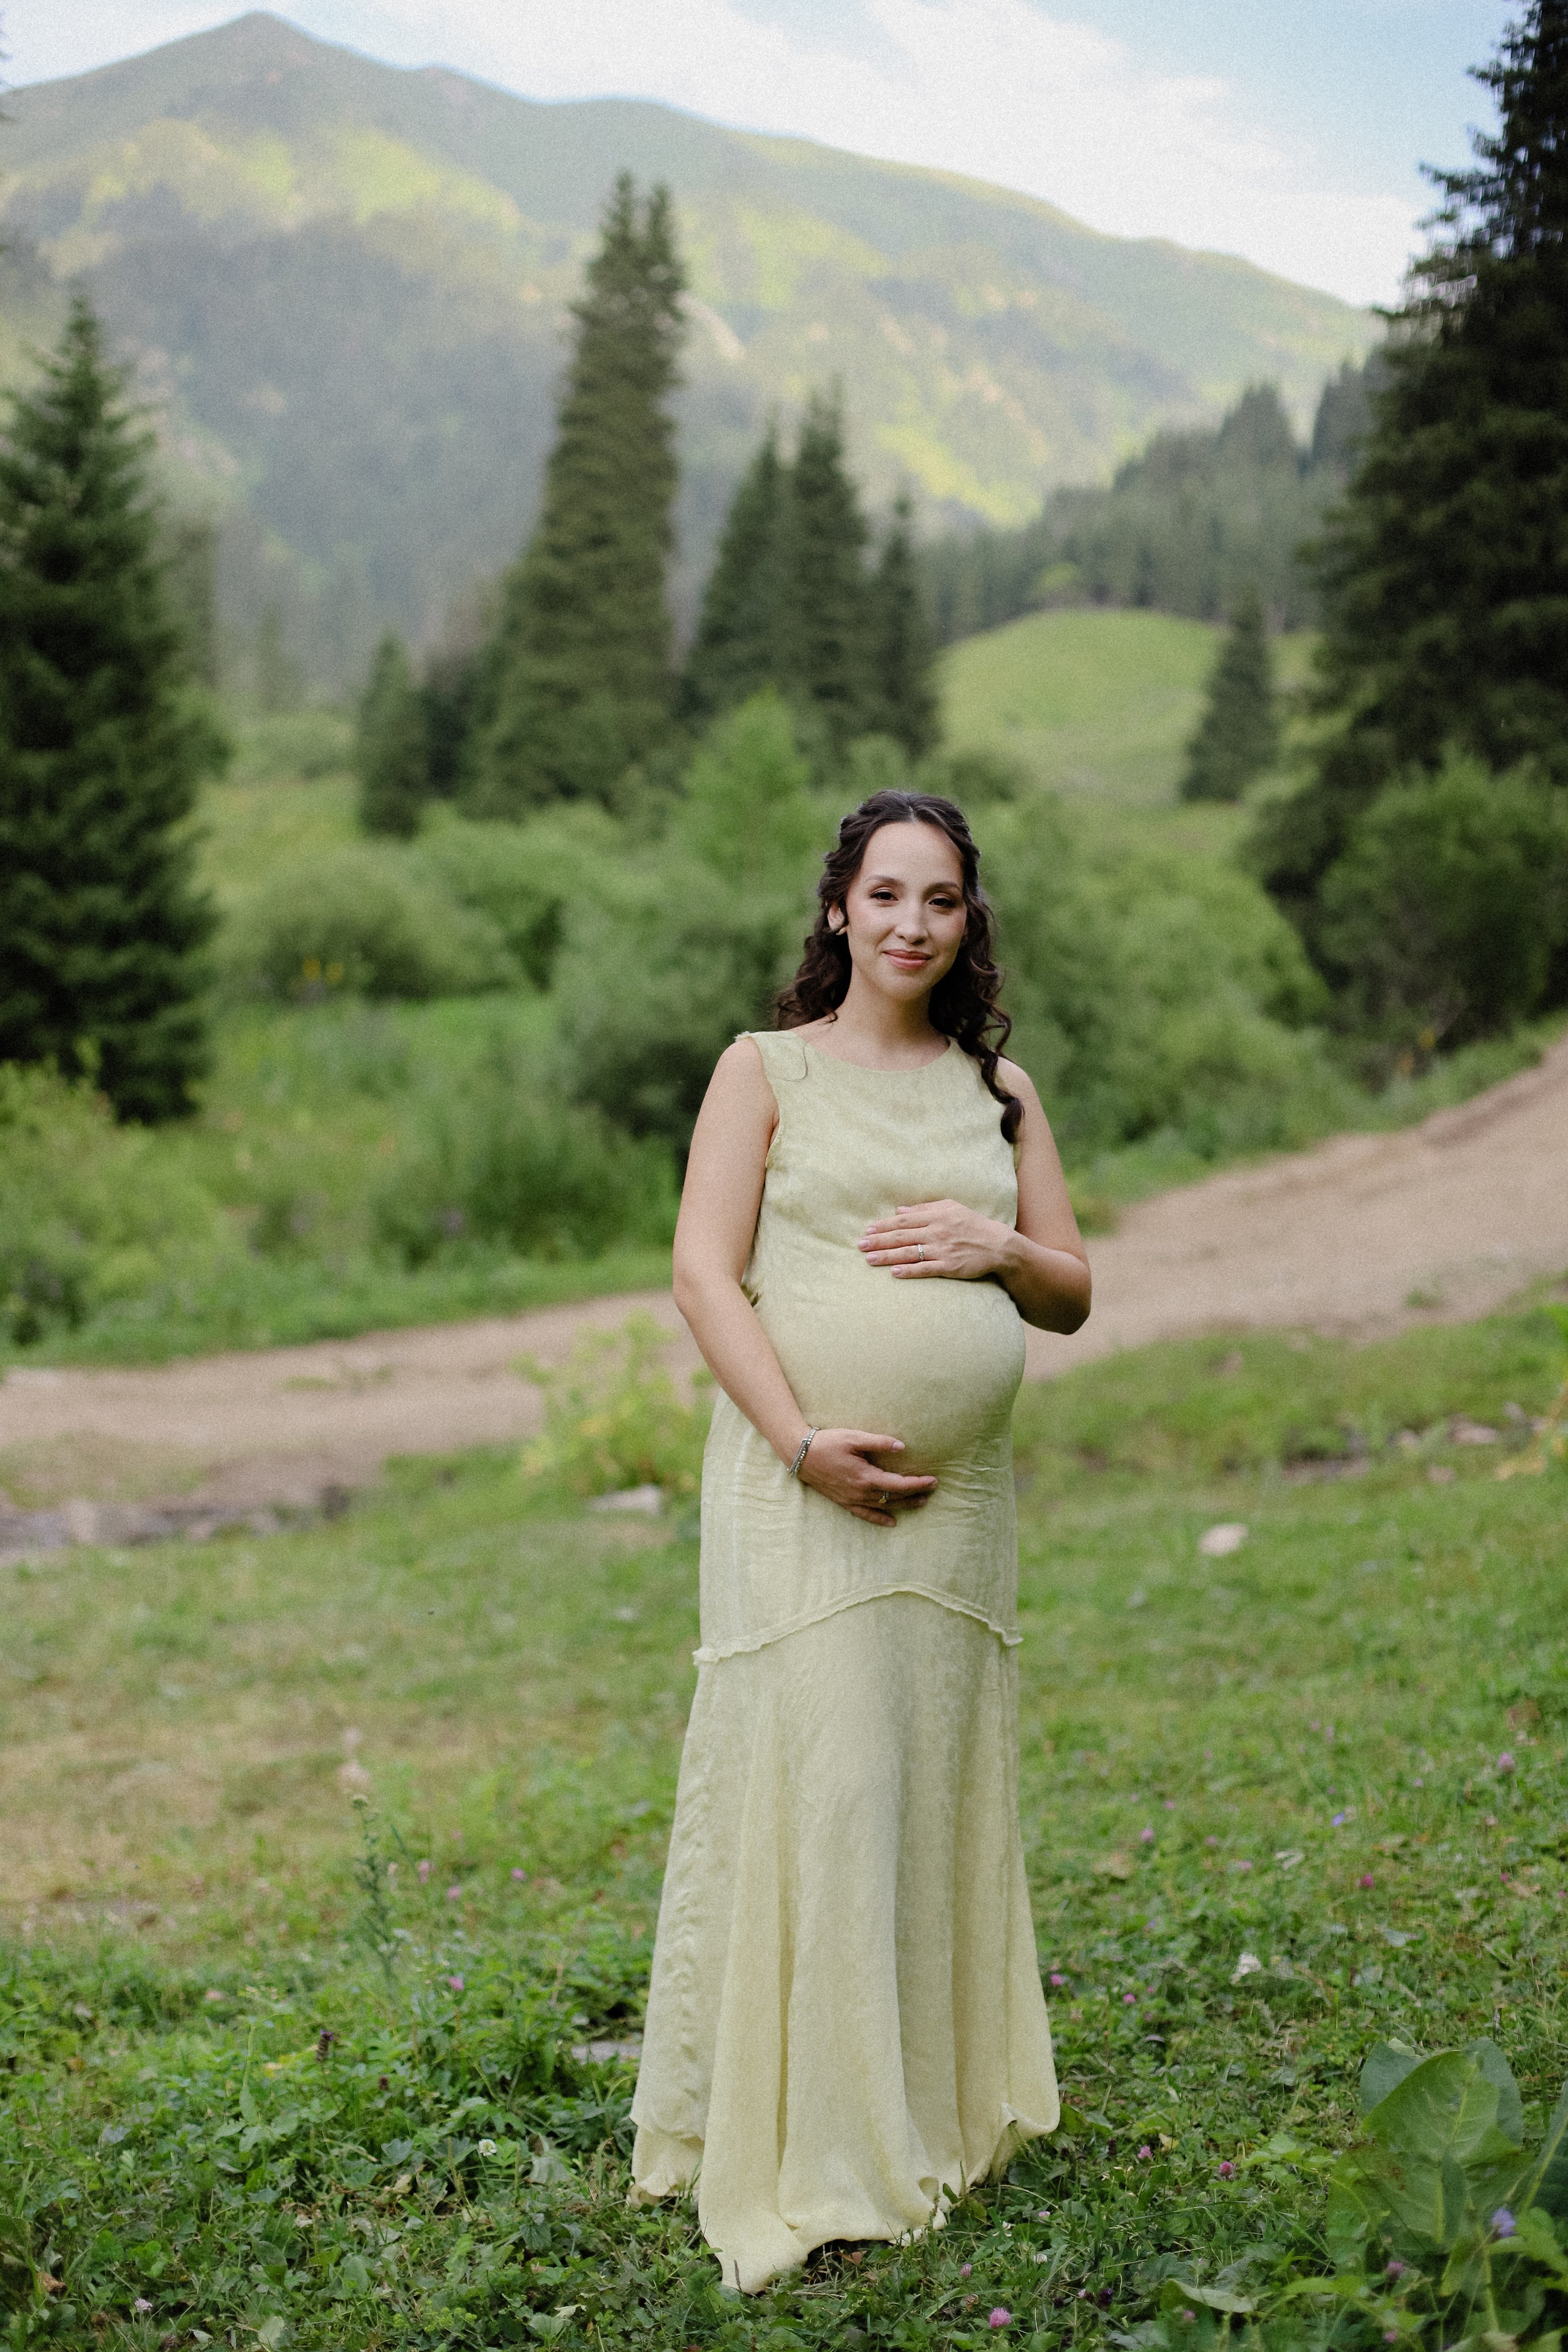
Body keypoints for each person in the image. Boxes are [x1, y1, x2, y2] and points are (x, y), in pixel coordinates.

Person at [629, 788, 1091, 2292]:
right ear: (837, 908)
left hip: (957, 1515)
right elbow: (705, 1278)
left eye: (939, 899)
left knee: (926, 1785)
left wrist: (998, 1248)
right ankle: (815, 2159)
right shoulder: (762, 1071)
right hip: (799, 1488)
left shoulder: (1000, 1092)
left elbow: (1071, 1291)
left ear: (968, 922)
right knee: (832, 1783)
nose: (908, 923)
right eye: (883, 894)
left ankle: (924, 2110)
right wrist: (799, 1441)